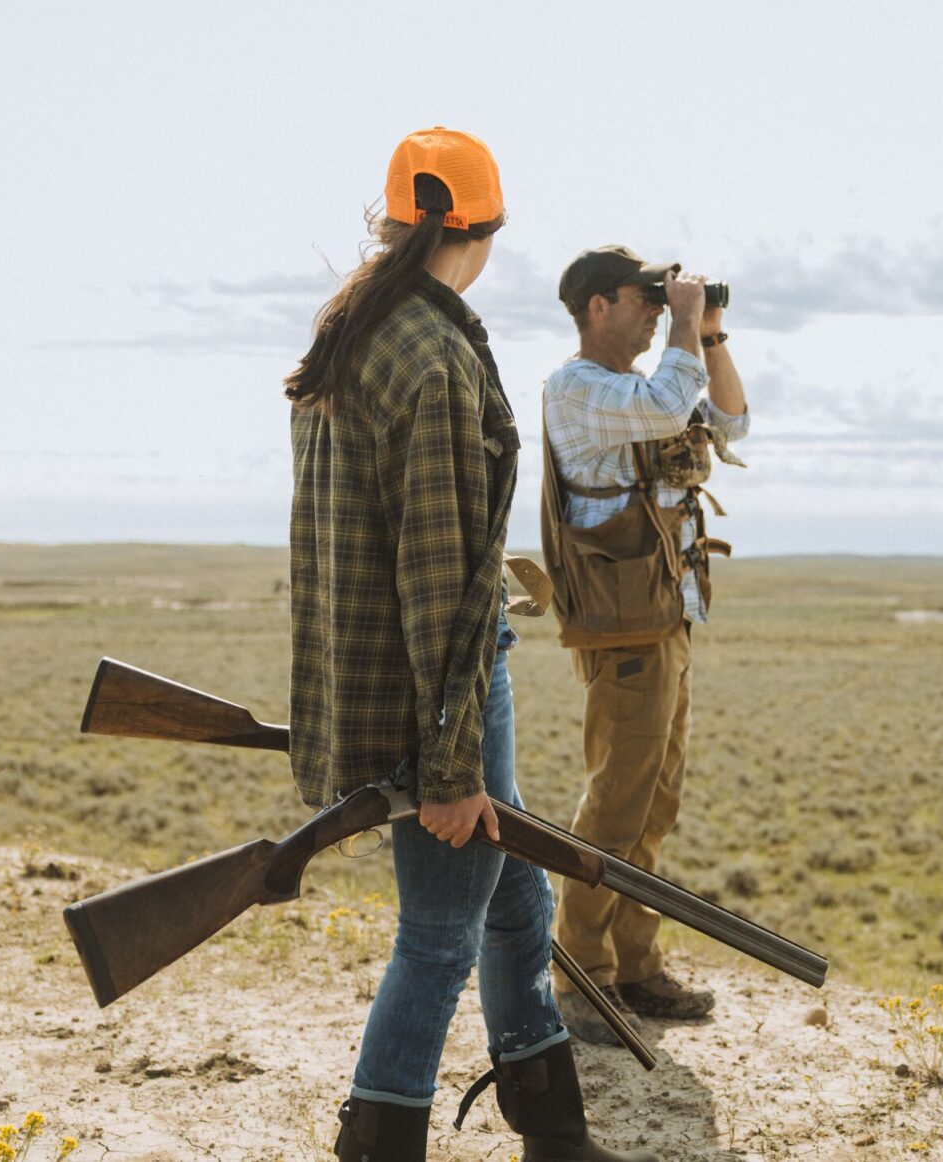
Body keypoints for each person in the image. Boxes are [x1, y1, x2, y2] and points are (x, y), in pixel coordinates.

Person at [286, 130, 657, 1162]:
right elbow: (441, 581)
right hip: (436, 680)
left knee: (516, 896)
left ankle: (550, 1128)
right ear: (482, 231)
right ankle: (379, 1142)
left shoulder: (353, 327)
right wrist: (448, 770)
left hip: (382, 677)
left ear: (397, 218)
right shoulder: (435, 354)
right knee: (442, 929)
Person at [540, 245, 750, 1045]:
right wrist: (689, 322)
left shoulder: (644, 383)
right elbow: (672, 405)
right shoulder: (581, 389)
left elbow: (730, 421)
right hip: (623, 623)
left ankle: (637, 965)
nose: (659, 310)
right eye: (645, 298)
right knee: (617, 805)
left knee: (655, 803)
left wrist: (714, 333)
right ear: (597, 306)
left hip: (666, 615)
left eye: (663, 301)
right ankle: (582, 975)